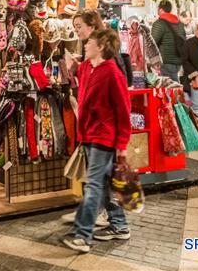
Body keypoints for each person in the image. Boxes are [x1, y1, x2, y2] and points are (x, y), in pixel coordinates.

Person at [63, 28, 132, 253]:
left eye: (90, 41)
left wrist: (122, 144)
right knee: (101, 184)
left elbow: (123, 110)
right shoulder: (87, 68)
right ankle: (120, 225)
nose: (85, 44)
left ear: (101, 46)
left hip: (104, 136)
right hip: (89, 135)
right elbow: (79, 84)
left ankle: (83, 236)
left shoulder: (112, 73)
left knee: (92, 184)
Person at [151, 0, 185, 83]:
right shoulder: (179, 23)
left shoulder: (159, 24)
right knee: (174, 83)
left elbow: (152, 43)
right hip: (178, 60)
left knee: (169, 87)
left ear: (161, 10)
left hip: (166, 61)